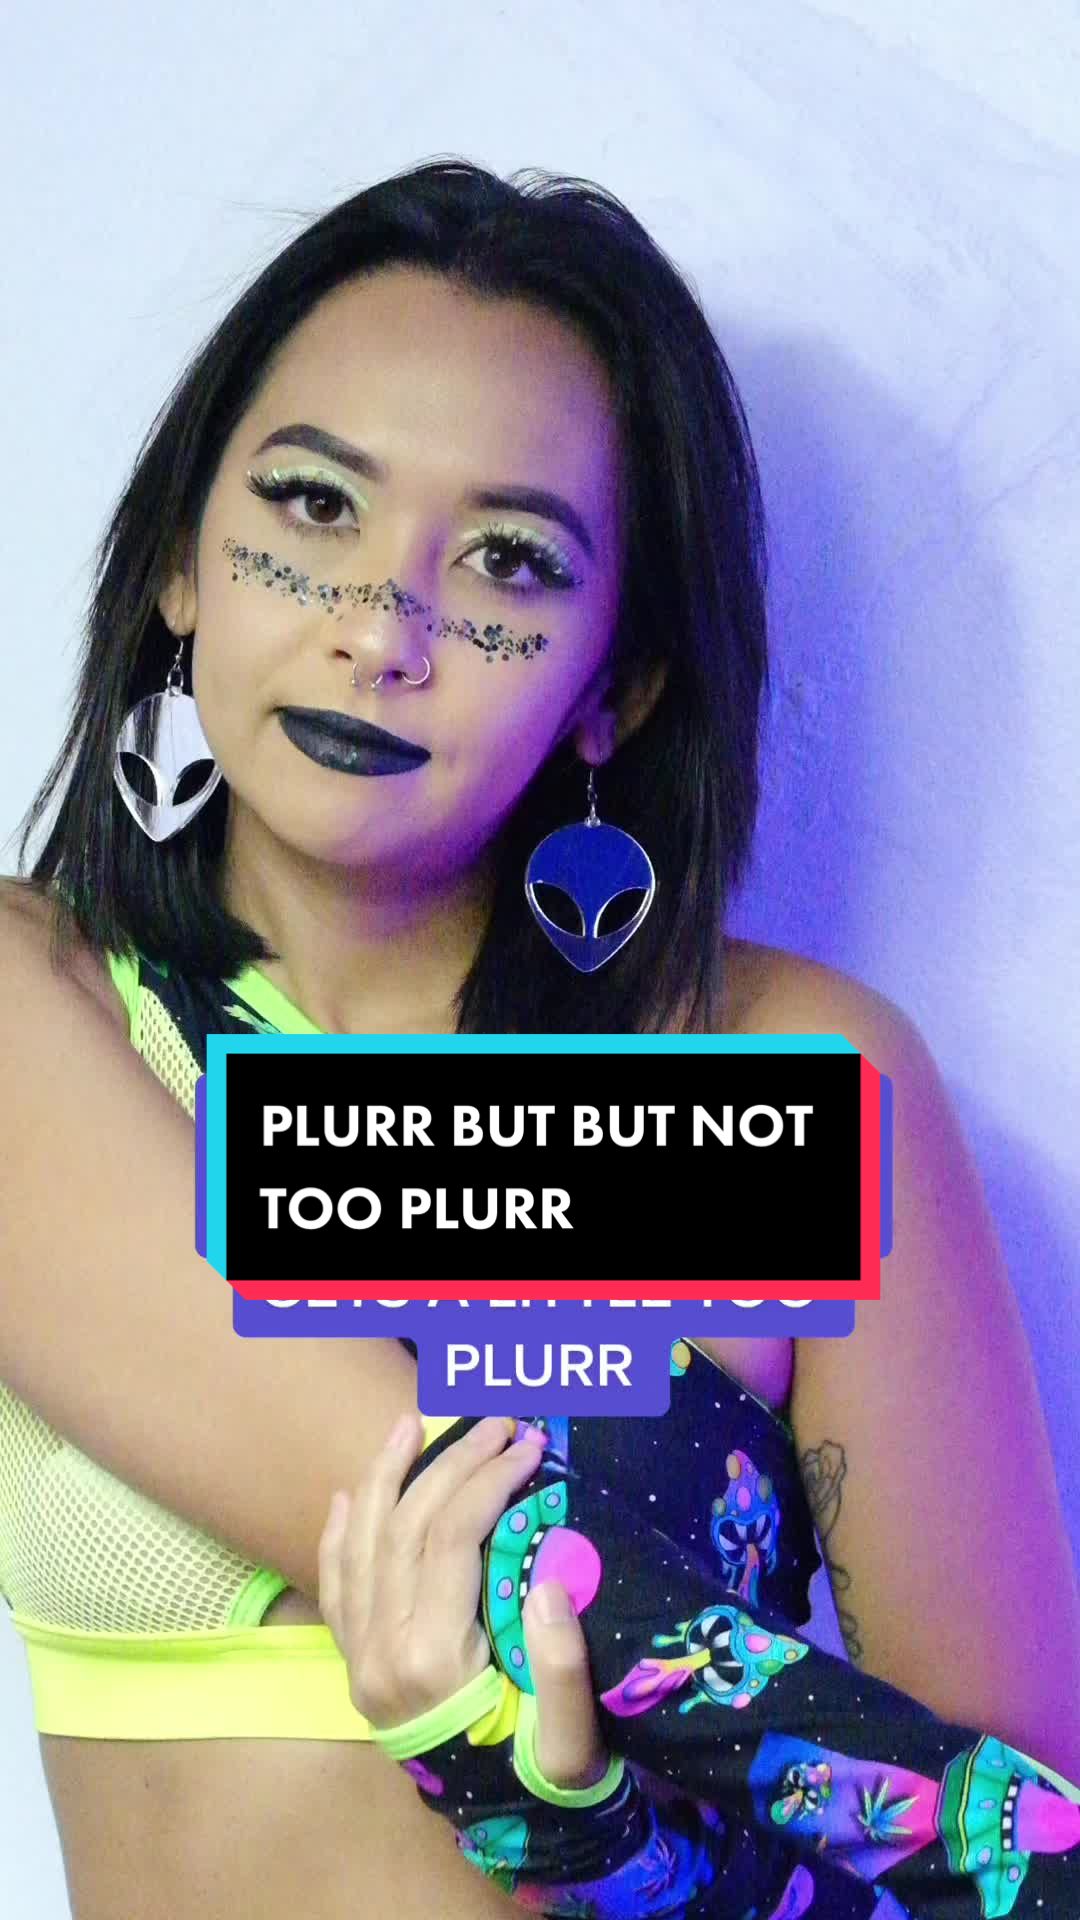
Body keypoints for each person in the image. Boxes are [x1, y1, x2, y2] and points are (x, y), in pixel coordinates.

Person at [0, 157, 1076, 1920]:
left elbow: (1023, 1878)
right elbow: (955, 1827)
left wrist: (597, 1844)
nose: (382, 628)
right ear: (185, 560)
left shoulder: (806, 1082)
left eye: (507, 559)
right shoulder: (39, 1009)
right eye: (312, 505)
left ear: (614, 685)